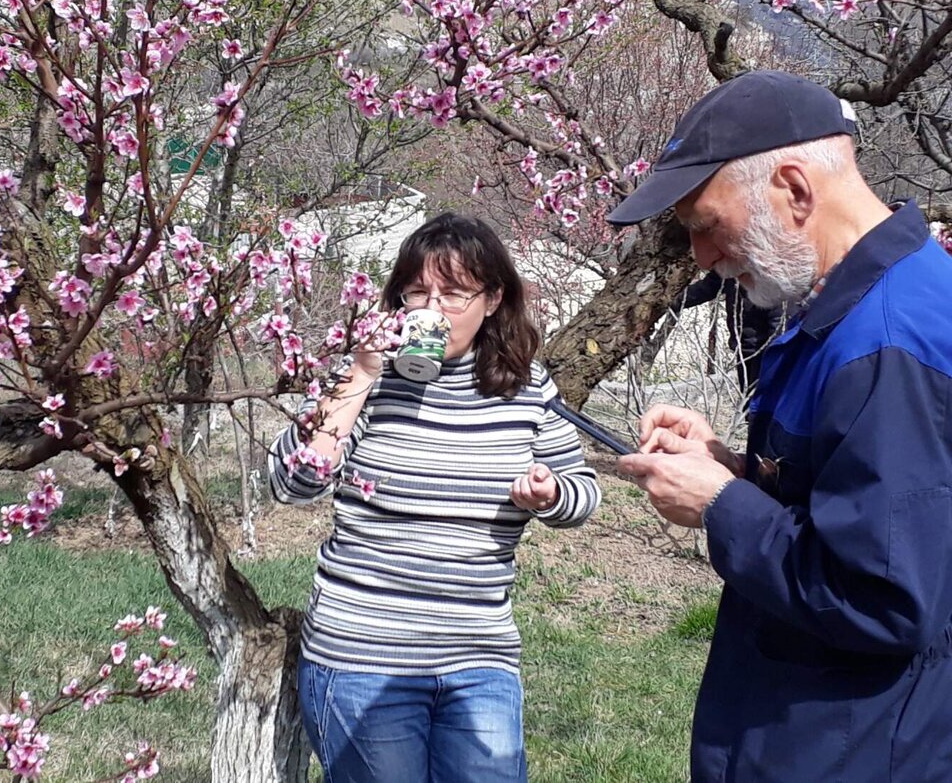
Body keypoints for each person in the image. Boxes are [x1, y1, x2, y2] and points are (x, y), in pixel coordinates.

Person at [607, 70, 952, 782]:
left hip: (850, 750)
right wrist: (734, 469)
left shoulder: (887, 342)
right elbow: (851, 502)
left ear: (794, 189)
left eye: (707, 225)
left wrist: (720, 505)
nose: (701, 257)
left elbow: (884, 599)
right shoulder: (853, 308)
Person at [269, 213, 600, 783]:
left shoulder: (526, 387)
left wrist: (548, 495)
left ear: (493, 299)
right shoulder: (367, 382)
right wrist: (360, 373)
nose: (432, 308)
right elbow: (292, 481)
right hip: (361, 654)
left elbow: (583, 494)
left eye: (453, 294)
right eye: (417, 293)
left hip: (479, 657)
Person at [679, 269, 782, 390]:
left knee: (762, 402)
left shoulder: (770, 272)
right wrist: (669, 301)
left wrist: (774, 357)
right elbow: (706, 288)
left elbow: (779, 322)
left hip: (765, 353)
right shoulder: (730, 266)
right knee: (747, 402)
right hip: (744, 349)